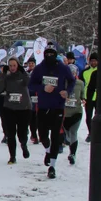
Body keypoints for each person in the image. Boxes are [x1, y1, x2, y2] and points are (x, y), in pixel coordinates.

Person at [28, 46, 74, 179]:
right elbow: (31, 84)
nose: (49, 56)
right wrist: (43, 88)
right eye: (47, 54)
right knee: (42, 135)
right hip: (42, 106)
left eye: (51, 54)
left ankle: (52, 166)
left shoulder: (63, 68)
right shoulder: (39, 68)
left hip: (58, 106)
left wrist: (67, 91)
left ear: (55, 55)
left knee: (55, 136)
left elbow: (72, 81)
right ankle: (48, 150)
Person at [0, 58, 32, 165]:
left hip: (23, 108)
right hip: (9, 108)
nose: (12, 68)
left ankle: (24, 145)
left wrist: (23, 72)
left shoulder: (22, 74)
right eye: (10, 66)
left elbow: (28, 82)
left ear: (18, 65)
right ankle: (12, 156)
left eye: (14, 65)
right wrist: (3, 76)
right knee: (10, 134)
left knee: (22, 132)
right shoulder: (6, 76)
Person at [63, 67, 86, 166]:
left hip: (77, 112)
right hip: (65, 113)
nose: (72, 74)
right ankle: (67, 139)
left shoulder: (80, 83)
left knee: (73, 132)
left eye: (74, 73)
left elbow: (83, 95)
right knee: (67, 133)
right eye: (70, 72)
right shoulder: (63, 83)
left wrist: (83, 99)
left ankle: (72, 154)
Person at [82, 53, 99, 141]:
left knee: (98, 116)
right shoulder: (85, 72)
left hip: (98, 97)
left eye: (95, 61)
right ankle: (90, 133)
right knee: (88, 116)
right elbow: (81, 84)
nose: (93, 62)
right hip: (87, 97)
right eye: (92, 61)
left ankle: (97, 133)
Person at [24, 57, 39, 143]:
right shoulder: (26, 73)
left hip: (37, 98)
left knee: (37, 119)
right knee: (31, 118)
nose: (31, 65)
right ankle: (34, 135)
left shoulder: (38, 73)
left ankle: (36, 134)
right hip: (28, 98)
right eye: (29, 63)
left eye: (32, 63)